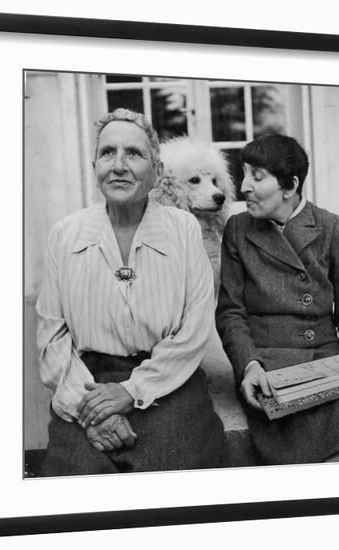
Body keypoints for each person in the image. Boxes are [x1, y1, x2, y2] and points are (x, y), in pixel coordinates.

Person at [36, 108, 224, 475]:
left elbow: (195, 327)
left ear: (156, 170)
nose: (118, 165)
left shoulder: (183, 229)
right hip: (87, 386)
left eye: (133, 154)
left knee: (176, 484)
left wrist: (131, 390)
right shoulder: (66, 234)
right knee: (74, 485)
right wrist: (88, 411)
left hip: (169, 384)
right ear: (95, 165)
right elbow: (51, 338)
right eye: (108, 153)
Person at [216, 134, 339, 465]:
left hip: (326, 365)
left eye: (257, 177)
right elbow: (231, 313)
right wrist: (249, 365)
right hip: (266, 370)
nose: (244, 186)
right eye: (244, 173)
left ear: (290, 186)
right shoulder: (237, 228)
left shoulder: (332, 228)